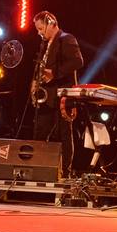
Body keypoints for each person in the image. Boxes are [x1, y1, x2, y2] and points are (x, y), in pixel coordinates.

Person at [32, 10, 84, 177]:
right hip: (47, 97)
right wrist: (34, 82)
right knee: (40, 132)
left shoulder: (66, 39)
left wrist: (54, 73)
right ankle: (39, 170)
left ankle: (66, 172)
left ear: (51, 23)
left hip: (62, 96)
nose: (39, 33)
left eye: (41, 28)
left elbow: (77, 61)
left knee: (64, 134)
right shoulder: (46, 45)